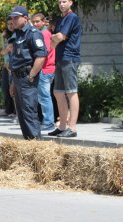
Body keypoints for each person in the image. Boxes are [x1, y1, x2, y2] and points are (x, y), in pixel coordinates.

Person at [8, 6, 47, 140]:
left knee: (29, 112)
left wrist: (31, 75)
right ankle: (28, 142)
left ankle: (36, 144)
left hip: (27, 78)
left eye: (16, 17)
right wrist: (13, 82)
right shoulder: (17, 34)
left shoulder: (33, 33)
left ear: (25, 18)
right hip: (17, 78)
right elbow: (15, 60)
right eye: (12, 18)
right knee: (21, 114)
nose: (13, 20)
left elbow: (41, 56)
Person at [50, 0, 82, 138]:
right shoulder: (61, 19)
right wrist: (55, 38)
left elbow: (60, 36)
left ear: (71, 2)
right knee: (58, 92)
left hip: (69, 58)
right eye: (59, 2)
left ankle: (72, 128)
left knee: (71, 92)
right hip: (60, 58)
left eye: (64, 1)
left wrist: (54, 37)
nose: (61, 4)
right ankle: (62, 127)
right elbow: (53, 44)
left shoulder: (72, 17)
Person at [31, 13, 56, 131]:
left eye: (37, 21)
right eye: (34, 22)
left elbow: (43, 52)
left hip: (45, 69)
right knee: (44, 97)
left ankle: (48, 123)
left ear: (43, 22)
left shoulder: (44, 34)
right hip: (48, 68)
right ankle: (47, 121)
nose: (35, 24)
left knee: (44, 97)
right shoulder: (44, 33)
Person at [0, 17, 15, 117]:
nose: (10, 26)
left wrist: (7, 49)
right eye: (8, 24)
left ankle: (15, 112)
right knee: (5, 88)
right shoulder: (6, 36)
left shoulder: (16, 35)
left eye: (11, 23)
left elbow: (9, 50)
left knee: (13, 89)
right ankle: (8, 110)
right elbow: (2, 52)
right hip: (6, 66)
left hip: (13, 66)